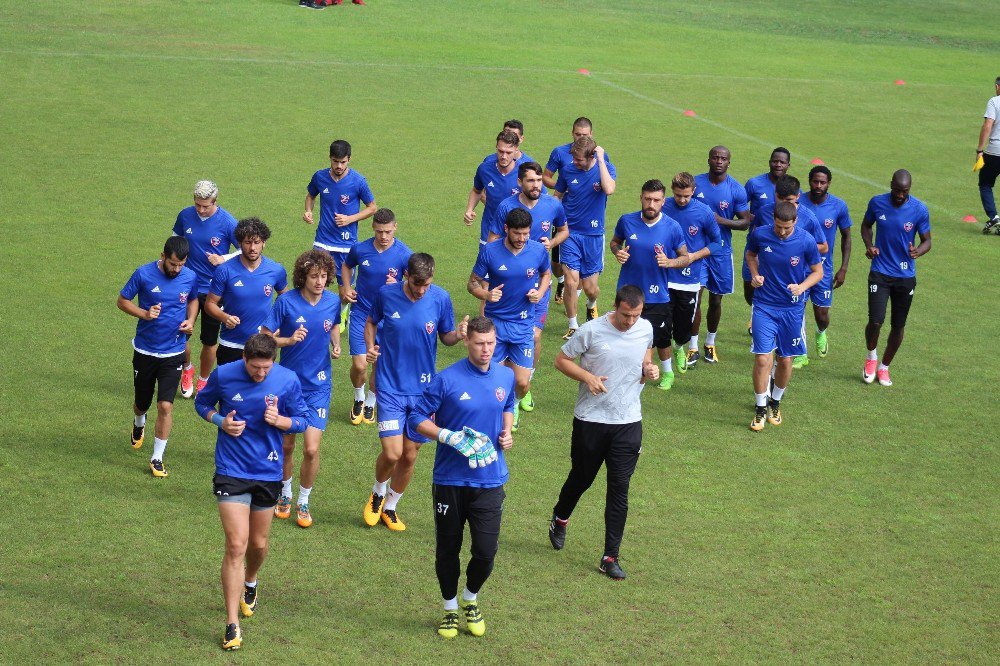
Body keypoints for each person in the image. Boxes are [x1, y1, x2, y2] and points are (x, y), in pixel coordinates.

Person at [194, 333, 311, 651]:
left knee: (257, 545)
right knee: (236, 545)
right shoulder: (225, 374)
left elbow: (304, 419)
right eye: (255, 368)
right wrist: (220, 421)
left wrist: (283, 421)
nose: (260, 374)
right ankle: (232, 623)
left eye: (266, 368)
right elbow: (201, 403)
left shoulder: (287, 380)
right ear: (245, 358)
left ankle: (251, 580)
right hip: (231, 470)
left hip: (268, 473)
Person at [407, 316, 515, 638]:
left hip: (490, 481)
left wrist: (507, 431)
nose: (486, 350)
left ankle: (470, 597)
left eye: (491, 344)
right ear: (467, 341)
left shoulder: (506, 376)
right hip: (450, 481)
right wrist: (448, 437)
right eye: (480, 343)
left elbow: (508, 403)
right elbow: (415, 418)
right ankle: (450, 607)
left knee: (485, 551)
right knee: (448, 549)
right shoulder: (446, 380)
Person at [548, 285, 659, 581]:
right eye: (625, 315)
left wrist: (650, 369)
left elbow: (646, 356)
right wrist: (588, 377)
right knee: (581, 478)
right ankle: (560, 516)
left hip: (628, 422)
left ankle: (610, 556)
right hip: (591, 420)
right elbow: (561, 361)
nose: (630, 321)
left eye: (636, 315)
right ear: (615, 307)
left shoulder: (645, 328)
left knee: (619, 490)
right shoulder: (591, 330)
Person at [362, 253, 469, 531]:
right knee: (393, 452)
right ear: (406, 276)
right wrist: (371, 347)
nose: (421, 290)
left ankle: (391, 507)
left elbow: (445, 337)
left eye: (426, 284)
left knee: (410, 454)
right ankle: (377, 492)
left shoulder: (440, 298)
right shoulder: (386, 294)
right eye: (417, 283)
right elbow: (371, 322)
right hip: (390, 387)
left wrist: (458, 334)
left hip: (423, 392)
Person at [261, 250, 342, 528]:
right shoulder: (285, 303)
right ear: (302, 277)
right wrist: (288, 340)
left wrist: (336, 344)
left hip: (319, 386)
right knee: (287, 445)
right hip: (288, 386)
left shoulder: (332, 301)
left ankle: (304, 500)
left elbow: (334, 325)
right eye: (314, 276)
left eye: (323, 276)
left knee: (310, 449)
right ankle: (284, 493)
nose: (320, 281)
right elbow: (264, 338)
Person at [487, 162, 568, 413]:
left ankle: (526, 384)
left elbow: (564, 231)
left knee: (534, 335)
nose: (536, 185)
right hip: (509, 282)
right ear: (520, 182)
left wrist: (551, 242)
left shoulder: (553, 205)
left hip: (537, 286)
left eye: (539, 181)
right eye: (531, 181)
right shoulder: (506, 207)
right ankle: (508, 391)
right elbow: (492, 242)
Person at [117, 236, 198, 477]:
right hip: (145, 351)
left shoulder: (189, 276)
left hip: (174, 352)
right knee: (142, 402)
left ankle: (157, 457)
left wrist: (191, 320)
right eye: (173, 264)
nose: (177, 269)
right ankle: (139, 423)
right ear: (163, 256)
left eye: (181, 265)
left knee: (165, 405)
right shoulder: (143, 274)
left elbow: (193, 299)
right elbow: (122, 301)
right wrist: (144, 313)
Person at [469, 208, 551, 430]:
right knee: (491, 378)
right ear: (506, 229)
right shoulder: (490, 251)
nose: (522, 239)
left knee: (522, 382)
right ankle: (496, 413)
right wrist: (486, 294)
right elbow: (472, 283)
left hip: (523, 325)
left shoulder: (538, 251)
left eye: (526, 234)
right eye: (517, 234)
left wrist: (540, 293)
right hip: (495, 325)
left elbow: (546, 274)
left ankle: (513, 404)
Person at [745, 201, 823, 431]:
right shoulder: (760, 235)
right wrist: (755, 275)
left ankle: (775, 403)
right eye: (778, 227)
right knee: (762, 358)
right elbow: (750, 255)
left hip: (792, 309)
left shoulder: (806, 240)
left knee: (786, 359)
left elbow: (818, 272)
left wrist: (802, 286)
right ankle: (760, 408)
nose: (781, 231)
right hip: (764, 305)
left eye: (786, 228)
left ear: (795, 222)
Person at [609, 180, 690, 391]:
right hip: (628, 292)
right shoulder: (626, 221)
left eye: (656, 200)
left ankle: (668, 372)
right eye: (647, 199)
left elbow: (685, 257)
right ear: (641, 198)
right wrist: (617, 251)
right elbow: (615, 242)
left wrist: (669, 262)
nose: (651, 204)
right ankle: (625, 371)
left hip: (657, 295)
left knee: (660, 338)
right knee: (623, 332)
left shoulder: (672, 227)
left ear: (663, 201)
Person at [741, 175, 828, 370]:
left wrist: (798, 247)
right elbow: (755, 244)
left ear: (797, 197)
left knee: (796, 311)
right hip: (769, 275)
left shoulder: (808, 218)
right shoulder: (764, 213)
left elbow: (823, 246)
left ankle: (799, 352)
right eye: (781, 199)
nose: (784, 204)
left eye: (789, 200)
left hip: (797, 276)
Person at [340, 209, 413, 425]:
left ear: (395, 228)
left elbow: (415, 285)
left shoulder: (404, 255)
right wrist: (345, 287)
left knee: (379, 366)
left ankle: (372, 401)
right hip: (362, 313)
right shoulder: (360, 249)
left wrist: (400, 286)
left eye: (388, 231)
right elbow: (346, 265)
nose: (383, 236)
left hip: (389, 319)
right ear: (373, 227)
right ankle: (359, 396)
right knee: (361, 365)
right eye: (380, 231)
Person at [861, 170, 932, 386]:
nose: (900, 195)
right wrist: (869, 246)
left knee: (898, 325)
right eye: (897, 190)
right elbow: (866, 225)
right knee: (875, 320)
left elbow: (927, 240)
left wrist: (918, 251)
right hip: (880, 272)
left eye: (905, 191)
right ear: (890, 184)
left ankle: (884, 367)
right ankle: (871, 357)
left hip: (905, 276)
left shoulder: (919, 209)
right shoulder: (877, 203)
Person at [172, 180, 239, 396]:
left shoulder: (228, 222)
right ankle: (187, 369)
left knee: (209, 341)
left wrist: (223, 258)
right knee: (181, 334)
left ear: (215, 201)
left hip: (213, 290)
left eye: (206, 206)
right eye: (198, 204)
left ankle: (204, 379)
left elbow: (244, 250)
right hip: (186, 286)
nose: (201, 210)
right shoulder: (185, 215)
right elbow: (175, 243)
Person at [692, 146, 751, 364]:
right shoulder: (695, 183)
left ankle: (710, 343)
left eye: (723, 158)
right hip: (696, 251)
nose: (719, 161)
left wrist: (722, 220)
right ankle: (692, 346)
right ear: (708, 160)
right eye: (715, 157)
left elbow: (745, 221)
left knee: (716, 301)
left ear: (729, 163)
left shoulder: (736, 189)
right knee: (695, 300)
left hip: (721, 253)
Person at [554, 135, 617, 339]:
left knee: (591, 289)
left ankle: (591, 304)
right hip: (570, 233)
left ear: (591, 156)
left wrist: (600, 160)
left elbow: (609, 189)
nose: (574, 162)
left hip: (593, 236)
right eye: (573, 158)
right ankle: (573, 325)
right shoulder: (567, 170)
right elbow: (558, 196)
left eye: (579, 159)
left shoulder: (605, 168)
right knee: (571, 282)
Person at [544, 117, 612, 304]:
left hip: (590, 228)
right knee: (557, 266)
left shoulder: (602, 159)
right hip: (566, 221)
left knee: (580, 279)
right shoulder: (560, 154)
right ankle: (561, 282)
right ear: (572, 133)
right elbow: (548, 178)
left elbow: (608, 188)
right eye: (577, 134)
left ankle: (574, 295)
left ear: (591, 135)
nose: (580, 137)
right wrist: (567, 191)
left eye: (584, 134)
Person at [204, 218, 288, 366]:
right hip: (231, 344)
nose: (252, 248)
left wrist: (279, 326)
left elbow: (286, 302)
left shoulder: (276, 270)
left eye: (257, 242)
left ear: (264, 243)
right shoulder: (225, 270)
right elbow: (210, 304)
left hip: (262, 344)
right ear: (240, 243)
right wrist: (225, 317)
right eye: (248, 242)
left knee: (261, 388)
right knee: (229, 389)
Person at [303, 139, 377, 301]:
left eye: (343, 162)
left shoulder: (358, 181)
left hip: (346, 246)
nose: (339, 166)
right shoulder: (320, 177)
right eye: (335, 161)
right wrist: (308, 211)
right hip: (323, 242)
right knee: (314, 284)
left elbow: (372, 207)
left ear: (349, 160)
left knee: (345, 293)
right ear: (330, 158)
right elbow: (311, 196)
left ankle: (340, 324)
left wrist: (350, 219)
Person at [797, 165, 853, 360]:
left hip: (823, 269)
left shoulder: (839, 206)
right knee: (797, 310)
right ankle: (800, 353)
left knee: (821, 314)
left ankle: (821, 333)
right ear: (809, 181)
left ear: (829, 183)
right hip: (800, 267)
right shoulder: (798, 202)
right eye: (815, 181)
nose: (818, 185)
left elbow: (847, 236)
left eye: (822, 182)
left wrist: (844, 267)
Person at [464, 129, 524, 245]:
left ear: (516, 149)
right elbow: (477, 191)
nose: (504, 156)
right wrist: (469, 209)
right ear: (496, 147)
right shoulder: (484, 169)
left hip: (516, 232)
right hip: (489, 229)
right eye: (500, 151)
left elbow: (538, 199)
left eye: (508, 152)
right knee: (487, 261)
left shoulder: (524, 172)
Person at [977, 76, 1000, 234]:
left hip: (995, 151)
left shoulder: (994, 102)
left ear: (998, 87)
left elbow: (987, 125)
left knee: (985, 184)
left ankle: (994, 217)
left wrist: (979, 150)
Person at [744, 147, 791, 218]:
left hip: (783, 229)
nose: (778, 165)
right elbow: (738, 205)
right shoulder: (754, 183)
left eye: (782, 162)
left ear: (788, 165)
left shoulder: (793, 186)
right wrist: (754, 219)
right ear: (769, 163)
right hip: (759, 229)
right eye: (775, 161)